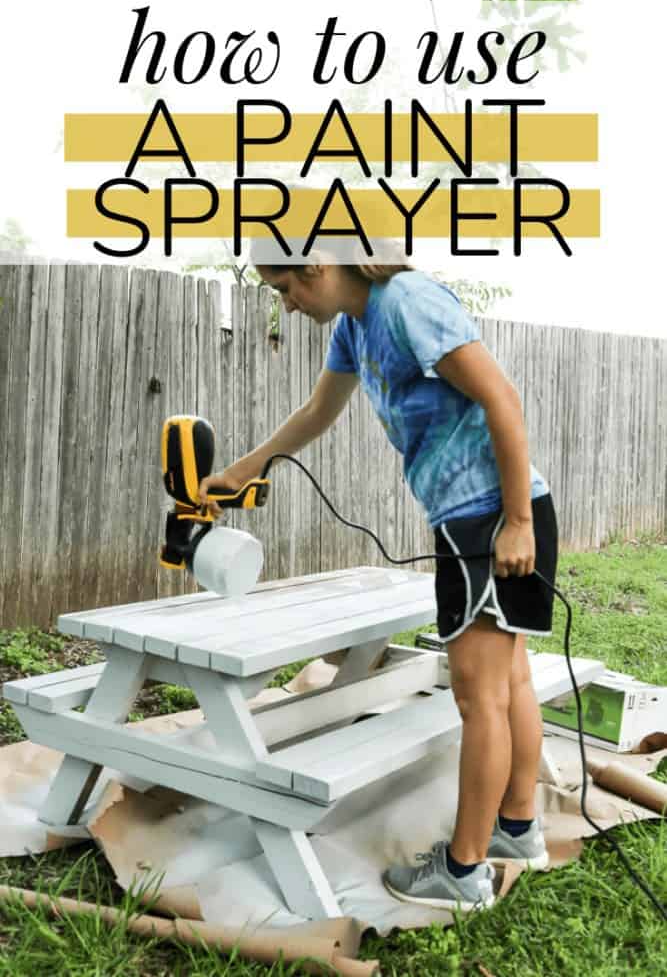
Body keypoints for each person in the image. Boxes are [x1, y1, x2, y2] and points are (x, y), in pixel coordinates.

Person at [199, 250, 558, 914]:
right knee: (509, 684)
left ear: (314, 264)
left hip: (487, 514)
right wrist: (246, 469)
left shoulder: (405, 305)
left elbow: (499, 397)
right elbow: (316, 412)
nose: (286, 305)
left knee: (480, 698)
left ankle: (464, 871)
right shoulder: (354, 325)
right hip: (479, 513)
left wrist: (514, 523)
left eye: (283, 289)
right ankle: (516, 830)